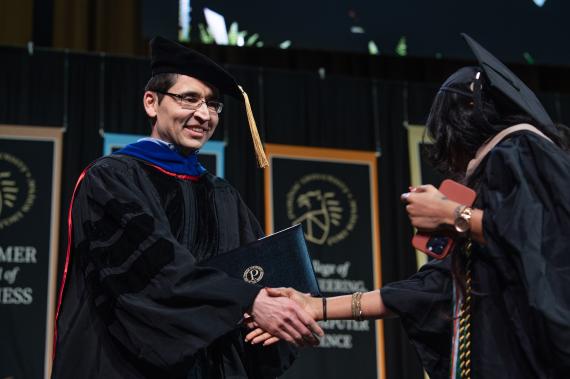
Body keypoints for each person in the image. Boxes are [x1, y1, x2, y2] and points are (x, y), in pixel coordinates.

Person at [246, 34, 570, 378]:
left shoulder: (520, 147)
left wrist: (453, 215)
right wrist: (316, 306)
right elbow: (424, 291)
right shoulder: (485, 176)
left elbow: (550, 238)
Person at [51, 36, 323, 379]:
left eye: (213, 104)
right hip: (126, 366)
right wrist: (247, 301)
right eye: (189, 98)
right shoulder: (110, 180)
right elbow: (156, 273)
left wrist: (284, 308)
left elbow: (253, 272)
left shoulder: (222, 195)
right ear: (152, 103)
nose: (203, 114)